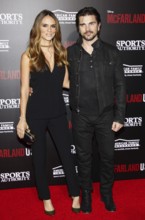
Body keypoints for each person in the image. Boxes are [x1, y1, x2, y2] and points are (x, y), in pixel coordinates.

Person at [16, 10, 80, 216]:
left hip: (58, 113)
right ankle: (46, 198)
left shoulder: (62, 51)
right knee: (39, 158)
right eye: (45, 25)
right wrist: (22, 118)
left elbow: (66, 83)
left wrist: (90, 85)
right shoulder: (28, 56)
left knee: (67, 156)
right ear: (37, 28)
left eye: (53, 26)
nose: (49, 30)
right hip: (35, 114)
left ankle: (75, 194)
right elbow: (25, 89)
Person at [67, 7, 126, 213]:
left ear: (99, 26)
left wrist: (119, 115)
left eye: (91, 23)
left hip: (106, 115)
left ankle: (107, 194)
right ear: (78, 28)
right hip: (81, 115)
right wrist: (33, 86)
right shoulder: (70, 53)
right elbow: (56, 77)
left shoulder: (112, 52)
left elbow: (120, 85)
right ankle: (86, 196)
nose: (87, 28)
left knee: (108, 157)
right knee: (83, 159)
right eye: (83, 24)